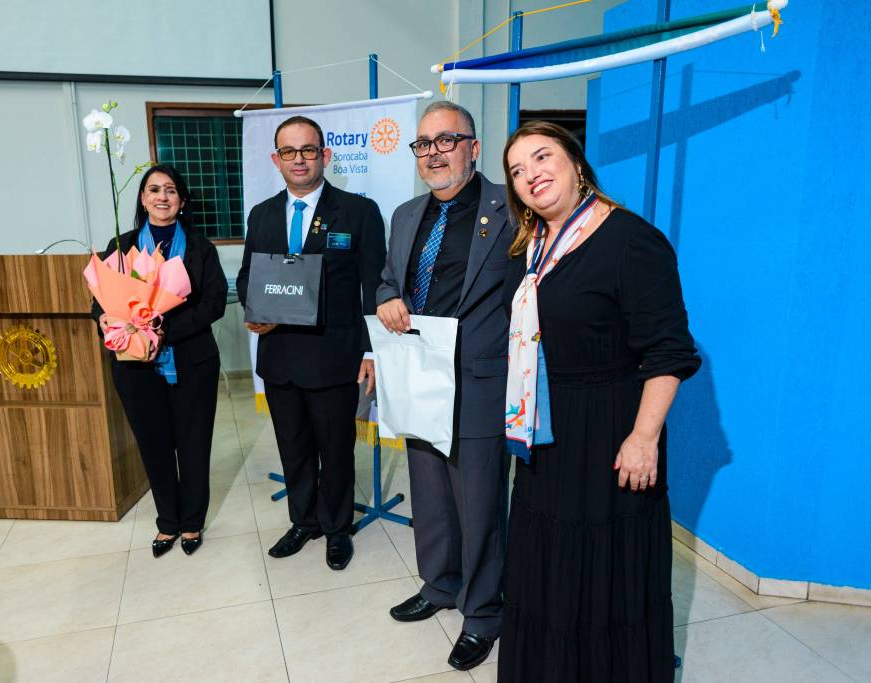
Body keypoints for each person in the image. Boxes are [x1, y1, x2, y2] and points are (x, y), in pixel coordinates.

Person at [497, 121, 701, 682]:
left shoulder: (631, 241)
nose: (531, 175)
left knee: (605, 570)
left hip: (609, 430)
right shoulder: (528, 246)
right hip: (544, 432)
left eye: (543, 157)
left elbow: (669, 351)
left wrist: (644, 438)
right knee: (549, 564)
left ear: (576, 164)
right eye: (517, 170)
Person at [375, 101, 513, 672]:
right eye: (423, 144)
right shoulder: (406, 214)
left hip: (480, 378)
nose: (433, 153)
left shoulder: (510, 209)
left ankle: (483, 613)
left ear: (473, 148)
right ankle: (440, 584)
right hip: (418, 374)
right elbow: (390, 279)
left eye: (446, 140)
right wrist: (387, 297)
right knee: (430, 493)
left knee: (478, 503)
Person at [236, 115, 386, 571]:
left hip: (334, 356)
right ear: (275, 159)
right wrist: (254, 310)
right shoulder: (262, 214)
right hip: (279, 354)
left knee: (336, 449)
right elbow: (248, 276)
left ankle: (337, 528)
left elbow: (374, 285)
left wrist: (371, 350)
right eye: (289, 151)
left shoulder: (358, 212)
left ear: (325, 154)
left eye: (308, 150)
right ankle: (303, 521)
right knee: (293, 446)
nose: (298, 159)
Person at [92, 164, 227, 558]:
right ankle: (167, 521)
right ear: (143, 198)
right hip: (135, 365)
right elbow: (100, 299)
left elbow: (214, 304)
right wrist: (102, 319)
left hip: (193, 361)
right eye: (154, 189)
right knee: (153, 445)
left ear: (182, 200)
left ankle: (192, 522)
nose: (162, 197)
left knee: (193, 443)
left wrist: (164, 330)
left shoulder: (201, 248)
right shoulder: (122, 246)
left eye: (170, 190)